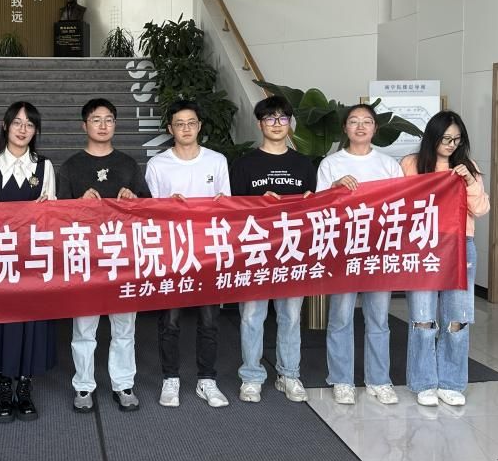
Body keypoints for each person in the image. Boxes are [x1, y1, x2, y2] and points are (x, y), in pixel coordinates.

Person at [57, 98, 151, 413]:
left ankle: (123, 383)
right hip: (86, 258)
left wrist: (133, 198)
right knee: (84, 328)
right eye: (96, 119)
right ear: (84, 125)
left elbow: (149, 209)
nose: (102, 125)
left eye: (109, 119)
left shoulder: (128, 164)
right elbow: (56, 215)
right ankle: (83, 385)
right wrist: (77, 204)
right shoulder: (71, 166)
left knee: (124, 326)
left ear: (115, 125)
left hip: (123, 258)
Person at [0, 101, 57, 423]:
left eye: (29, 124)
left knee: (31, 321)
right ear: (5, 125)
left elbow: (52, 218)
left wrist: (46, 210)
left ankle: (25, 386)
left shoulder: (44, 166)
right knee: (1, 322)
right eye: (17, 123)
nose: (23, 129)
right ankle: (3, 388)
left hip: (33, 259)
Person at [229, 95, 316, 404]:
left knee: (290, 315)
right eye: (270, 118)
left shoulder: (304, 164)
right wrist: (258, 203)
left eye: (282, 118)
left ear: (289, 123)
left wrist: (309, 202)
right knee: (252, 315)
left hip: (293, 251)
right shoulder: (244, 165)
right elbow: (233, 212)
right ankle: (251, 376)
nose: (277, 124)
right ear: (260, 124)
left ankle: (289, 374)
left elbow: (315, 209)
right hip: (255, 250)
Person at [145, 99, 231, 408]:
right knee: (170, 319)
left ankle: (207, 380)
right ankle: (170, 379)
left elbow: (227, 207)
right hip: (172, 252)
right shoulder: (158, 165)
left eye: (191, 123)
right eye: (179, 124)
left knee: (209, 319)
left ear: (199, 126)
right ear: (170, 129)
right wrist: (168, 206)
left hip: (208, 251)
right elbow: (150, 214)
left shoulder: (216, 161)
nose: (186, 128)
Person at [317, 103, 404, 405]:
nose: (360, 126)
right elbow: (318, 207)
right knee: (341, 317)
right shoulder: (331, 163)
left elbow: (401, 205)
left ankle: (379, 380)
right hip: (344, 250)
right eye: (354, 121)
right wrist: (334, 187)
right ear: (345, 128)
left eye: (367, 121)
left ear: (375, 128)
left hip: (378, 250)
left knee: (378, 318)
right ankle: (341, 379)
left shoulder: (389, 165)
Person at [401, 110, 489, 407]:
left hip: (460, 246)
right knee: (423, 318)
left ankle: (451, 382)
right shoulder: (411, 164)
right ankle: (424, 382)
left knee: (458, 318)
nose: (451, 145)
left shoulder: (468, 168)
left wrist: (470, 181)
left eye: (457, 139)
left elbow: (481, 209)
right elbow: (398, 204)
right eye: (446, 138)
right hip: (422, 246)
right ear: (433, 137)